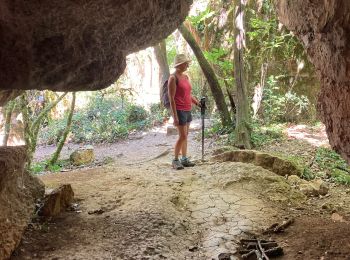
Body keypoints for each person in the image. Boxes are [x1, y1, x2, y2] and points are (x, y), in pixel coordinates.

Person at [168, 54, 200, 170]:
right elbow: (171, 99)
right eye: (186, 63)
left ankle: (184, 159)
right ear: (180, 65)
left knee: (186, 135)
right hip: (179, 110)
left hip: (187, 109)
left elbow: (188, 94)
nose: (188, 65)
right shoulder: (173, 78)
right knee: (182, 136)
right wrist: (175, 117)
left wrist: (197, 103)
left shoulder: (185, 77)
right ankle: (175, 160)